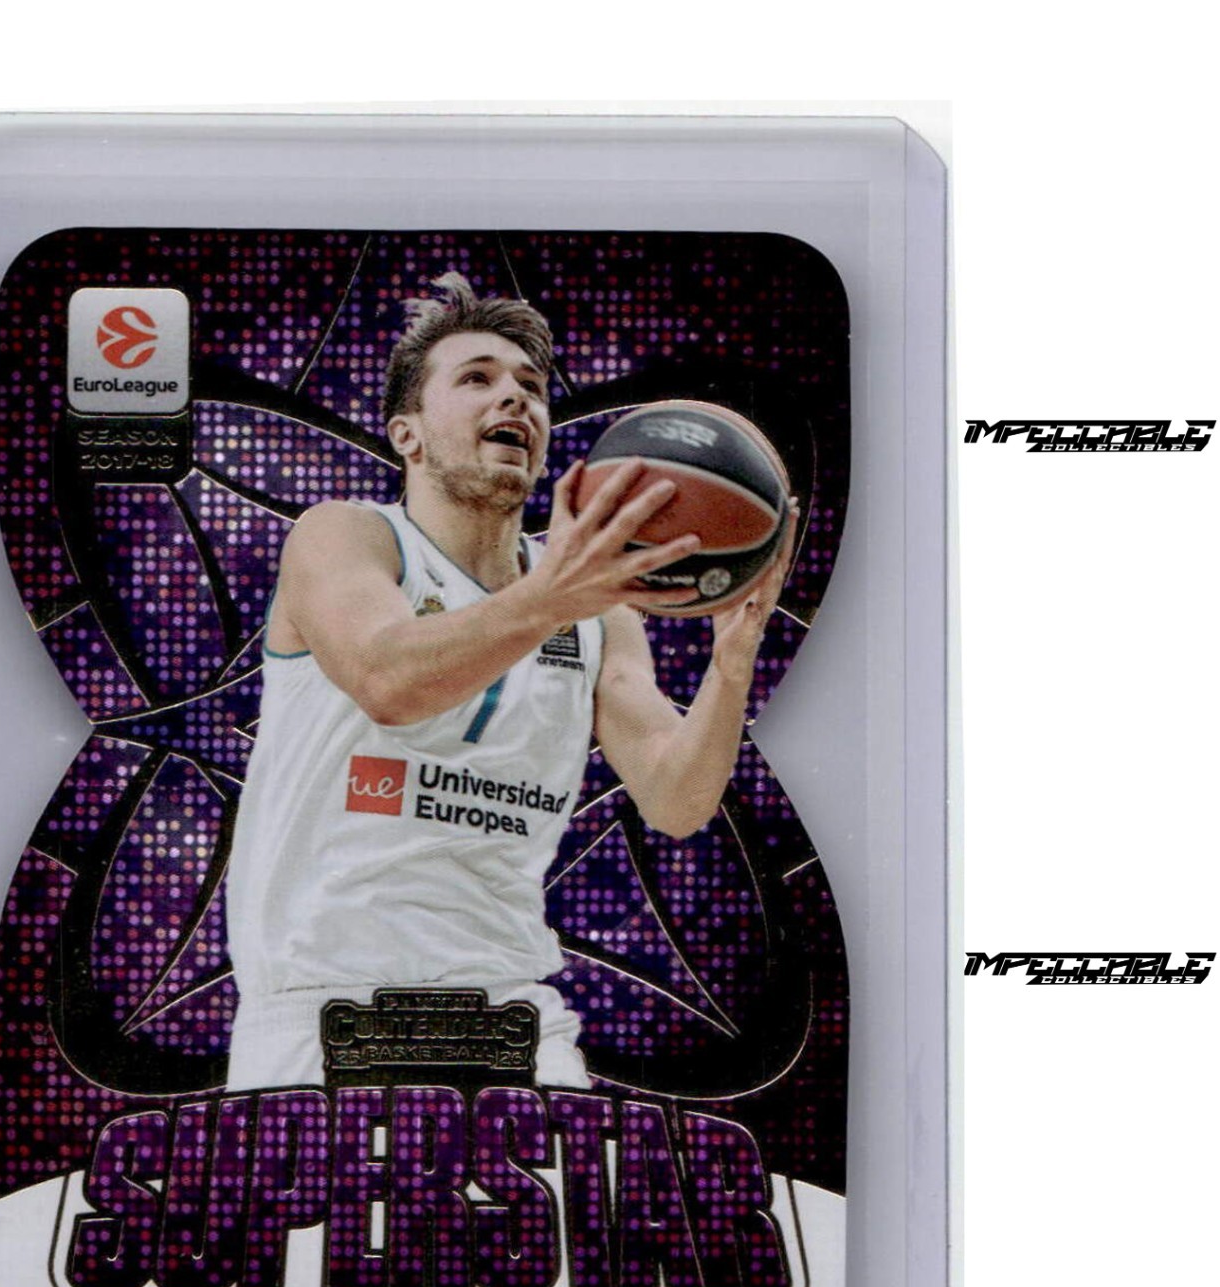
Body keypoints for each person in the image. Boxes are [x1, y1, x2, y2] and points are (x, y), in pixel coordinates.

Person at [224, 273, 794, 1089]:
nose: (515, 397)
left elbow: (677, 798)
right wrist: (552, 596)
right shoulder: (347, 536)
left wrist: (733, 662)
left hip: (513, 1019)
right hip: (326, 1012)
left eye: (531, 386)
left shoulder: (598, 613)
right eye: (476, 378)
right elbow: (387, 679)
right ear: (408, 435)